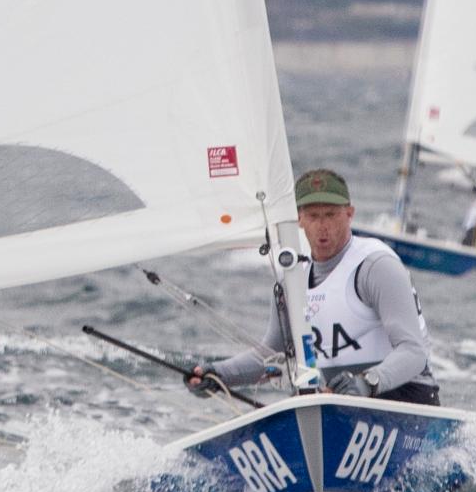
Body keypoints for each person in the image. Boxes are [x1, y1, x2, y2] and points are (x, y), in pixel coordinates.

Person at [188, 168, 440, 406]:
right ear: (299, 220)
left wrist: (367, 383)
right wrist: (218, 374)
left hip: (405, 394)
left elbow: (414, 351)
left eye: (331, 215)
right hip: (334, 401)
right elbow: (272, 356)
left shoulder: (376, 267)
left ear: (349, 214)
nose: (323, 226)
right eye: (313, 216)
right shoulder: (292, 281)